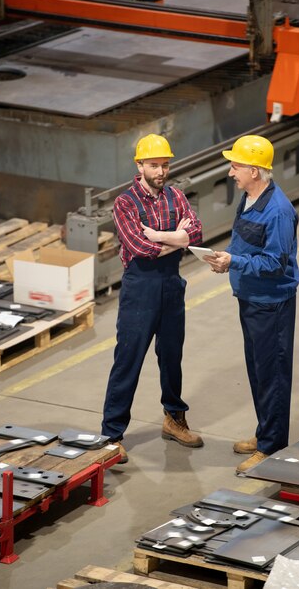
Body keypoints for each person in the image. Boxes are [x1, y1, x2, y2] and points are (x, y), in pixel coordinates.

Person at [102, 133, 204, 463]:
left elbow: (198, 233)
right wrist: (180, 238)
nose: (161, 171)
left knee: (172, 356)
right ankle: (111, 434)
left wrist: (161, 237)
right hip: (140, 290)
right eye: (154, 165)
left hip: (172, 286)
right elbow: (139, 249)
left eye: (164, 165)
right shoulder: (126, 203)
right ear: (140, 166)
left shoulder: (175, 195)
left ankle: (174, 418)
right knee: (128, 359)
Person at [204, 135, 299, 474]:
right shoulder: (248, 198)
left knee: (272, 374)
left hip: (271, 305)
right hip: (250, 298)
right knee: (258, 372)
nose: (231, 172)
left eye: (236, 166)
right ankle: (264, 434)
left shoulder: (278, 212)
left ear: (255, 171)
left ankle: (272, 446)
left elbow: (275, 263)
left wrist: (234, 263)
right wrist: (224, 261)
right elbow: (245, 246)